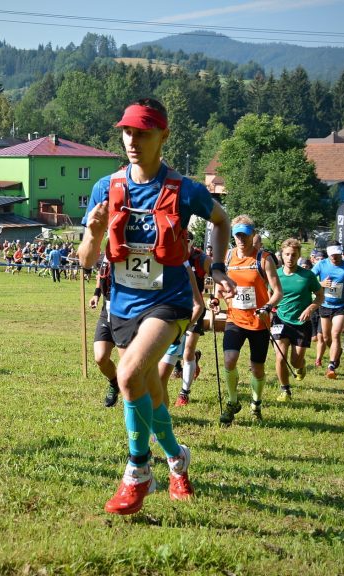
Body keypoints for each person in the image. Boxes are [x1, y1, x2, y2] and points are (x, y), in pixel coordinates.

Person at [78, 98, 234, 516]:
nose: (132, 140)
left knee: (128, 374)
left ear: (163, 135)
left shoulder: (185, 190)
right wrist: (93, 233)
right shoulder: (105, 187)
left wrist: (217, 267)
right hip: (124, 304)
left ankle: (138, 471)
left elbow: (221, 221)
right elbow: (86, 260)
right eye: (127, 131)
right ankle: (176, 457)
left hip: (170, 302)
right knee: (151, 393)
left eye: (143, 132)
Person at [214, 215, 282, 424]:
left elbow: (278, 291)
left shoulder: (264, 258)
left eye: (245, 235)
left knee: (257, 367)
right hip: (235, 318)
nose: (241, 239)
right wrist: (216, 299)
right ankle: (233, 401)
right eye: (238, 235)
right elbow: (220, 283)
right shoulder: (227, 257)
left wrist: (268, 306)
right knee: (229, 359)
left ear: (253, 234)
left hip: (259, 320)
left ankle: (256, 403)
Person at [272, 238, 323, 402]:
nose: (290, 258)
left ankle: (300, 367)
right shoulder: (275, 274)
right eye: (287, 254)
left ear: (299, 255)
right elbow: (269, 295)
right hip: (280, 319)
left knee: (295, 361)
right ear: (282, 255)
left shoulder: (307, 275)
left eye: (293, 255)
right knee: (280, 357)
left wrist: (310, 309)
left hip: (301, 323)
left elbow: (320, 297)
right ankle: (285, 390)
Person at [312, 242, 344, 380]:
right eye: (332, 255)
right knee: (326, 338)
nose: (335, 258)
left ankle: (331, 365)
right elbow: (309, 278)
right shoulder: (321, 265)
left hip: (341, 306)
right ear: (328, 254)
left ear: (341, 253)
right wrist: (320, 284)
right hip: (325, 304)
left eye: (338, 255)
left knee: (336, 333)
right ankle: (336, 355)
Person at [173, 235, 210, 407]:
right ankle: (193, 359)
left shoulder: (200, 259)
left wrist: (216, 296)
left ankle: (184, 393)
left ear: (192, 243)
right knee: (174, 347)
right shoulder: (170, 255)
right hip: (174, 308)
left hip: (196, 308)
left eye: (188, 241)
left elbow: (216, 274)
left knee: (187, 351)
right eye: (182, 239)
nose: (184, 243)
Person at [89, 255, 119, 407]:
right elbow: (101, 275)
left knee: (130, 364)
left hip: (127, 315)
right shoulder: (106, 256)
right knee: (100, 358)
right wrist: (96, 294)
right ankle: (115, 383)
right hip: (106, 313)